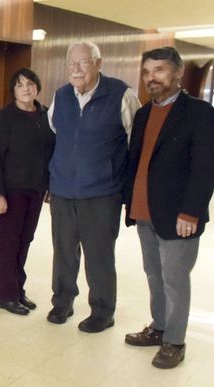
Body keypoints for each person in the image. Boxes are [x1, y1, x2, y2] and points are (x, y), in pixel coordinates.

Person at [123, 47, 214, 369]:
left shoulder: (199, 113)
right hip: (144, 211)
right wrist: (129, 204)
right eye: (148, 72)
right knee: (153, 273)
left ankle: (175, 341)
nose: (152, 78)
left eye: (159, 70)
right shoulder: (145, 113)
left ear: (176, 74)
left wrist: (190, 212)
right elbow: (136, 161)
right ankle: (158, 327)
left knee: (175, 279)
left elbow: (205, 167)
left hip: (178, 216)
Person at [46, 41, 141, 332]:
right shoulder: (60, 96)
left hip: (102, 193)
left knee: (99, 254)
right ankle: (62, 302)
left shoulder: (121, 95)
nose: (75, 69)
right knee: (63, 252)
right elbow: (55, 133)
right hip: (63, 190)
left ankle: (102, 311)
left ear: (98, 64)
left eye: (83, 62)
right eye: (71, 63)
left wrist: (125, 190)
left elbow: (135, 142)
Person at [0, 68, 55, 315]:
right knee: (7, 245)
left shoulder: (45, 115)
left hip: (34, 191)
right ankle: (5, 295)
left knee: (24, 243)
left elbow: (51, 154)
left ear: (37, 86)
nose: (26, 88)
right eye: (20, 84)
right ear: (13, 90)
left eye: (30, 83)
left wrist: (49, 186)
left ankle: (17, 290)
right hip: (9, 193)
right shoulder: (5, 117)